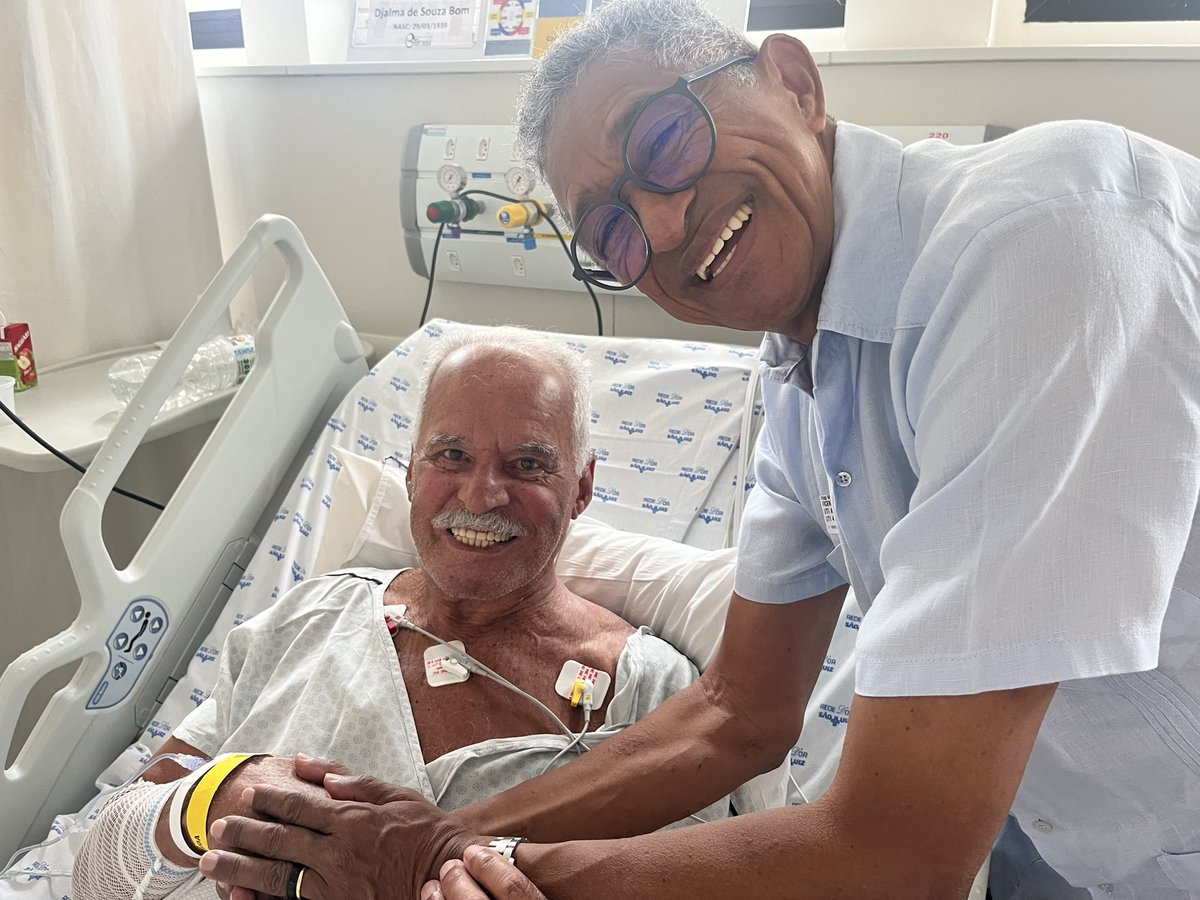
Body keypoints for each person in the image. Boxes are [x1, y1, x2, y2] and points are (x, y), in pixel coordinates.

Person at [199, 1, 1200, 897]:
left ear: (796, 83)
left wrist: (458, 865)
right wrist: (442, 838)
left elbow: (902, 851)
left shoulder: (1041, 247)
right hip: (1069, 827)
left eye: (667, 140)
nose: (665, 223)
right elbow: (740, 711)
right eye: (614, 231)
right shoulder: (805, 383)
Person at [70, 326, 770, 900]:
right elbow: (98, 868)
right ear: (409, 471)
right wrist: (210, 799)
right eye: (451, 455)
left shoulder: (658, 698)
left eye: (527, 464)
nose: (481, 493)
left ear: (582, 487)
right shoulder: (310, 617)